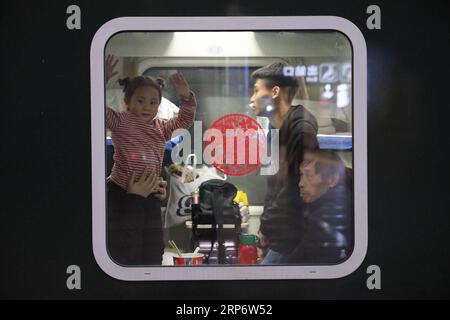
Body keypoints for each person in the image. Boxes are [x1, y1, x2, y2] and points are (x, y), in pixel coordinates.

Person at [104, 54, 197, 265]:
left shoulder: (160, 127)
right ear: (127, 102)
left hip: (152, 193)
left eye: (153, 102)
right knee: (129, 246)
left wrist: (185, 96)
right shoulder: (120, 121)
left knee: (154, 246)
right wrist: (103, 79)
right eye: (140, 101)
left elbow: (184, 120)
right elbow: (96, 111)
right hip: (122, 190)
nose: (147, 107)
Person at [250, 61, 319, 264]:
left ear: (275, 92)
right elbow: (274, 187)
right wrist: (266, 228)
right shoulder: (274, 129)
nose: (251, 99)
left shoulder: (301, 129)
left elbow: (292, 189)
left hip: (294, 234)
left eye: (255, 91)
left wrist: (267, 227)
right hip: (279, 231)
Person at [288, 149, 353, 263]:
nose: (301, 183)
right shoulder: (343, 200)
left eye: (308, 176)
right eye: (301, 175)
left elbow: (298, 265)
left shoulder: (327, 218)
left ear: (332, 180)